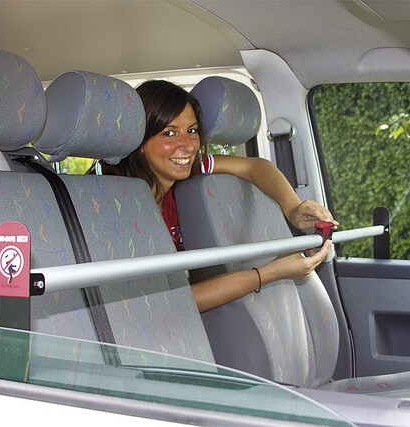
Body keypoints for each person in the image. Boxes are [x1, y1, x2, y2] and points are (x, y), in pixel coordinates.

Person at [99, 80, 338, 312]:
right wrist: (271, 272)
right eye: (169, 133)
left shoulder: (191, 168)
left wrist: (294, 209)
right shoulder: (119, 205)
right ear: (140, 139)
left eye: (192, 131)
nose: (188, 145)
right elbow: (167, 302)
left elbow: (255, 167)